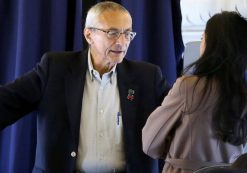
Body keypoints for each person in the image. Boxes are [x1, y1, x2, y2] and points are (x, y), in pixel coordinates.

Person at [0, 1, 169, 173]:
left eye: (127, 34)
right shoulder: (55, 69)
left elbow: (183, 115)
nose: (122, 42)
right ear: (89, 35)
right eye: (112, 33)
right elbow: (6, 102)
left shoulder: (147, 76)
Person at [142, 11, 247, 173]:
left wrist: (175, 153)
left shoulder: (188, 87)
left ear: (212, 44)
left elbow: (150, 142)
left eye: (202, 38)